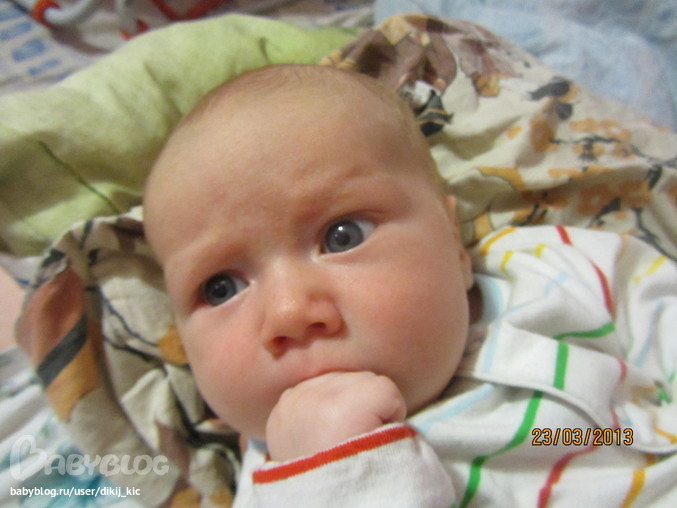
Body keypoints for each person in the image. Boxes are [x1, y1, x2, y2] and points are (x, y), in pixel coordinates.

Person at [143, 64, 677, 507]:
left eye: (343, 236)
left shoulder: (543, 269)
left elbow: (657, 304)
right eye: (220, 288)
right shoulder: (280, 483)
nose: (289, 311)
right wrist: (336, 473)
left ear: (454, 242)